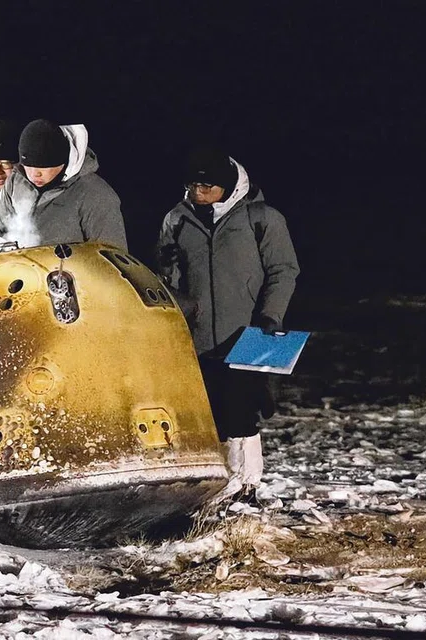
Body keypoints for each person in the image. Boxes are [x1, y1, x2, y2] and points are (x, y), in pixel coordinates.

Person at [156, 148, 299, 501]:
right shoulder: (176, 219)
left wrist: (271, 315)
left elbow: (283, 270)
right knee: (210, 413)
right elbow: (168, 281)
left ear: (228, 186)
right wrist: (167, 268)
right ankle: (219, 485)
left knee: (243, 411)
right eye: (193, 186)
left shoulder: (261, 218)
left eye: (207, 187)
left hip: (250, 330)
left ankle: (246, 485)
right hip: (199, 336)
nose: (199, 193)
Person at [0, 119, 128, 251]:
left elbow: (111, 257)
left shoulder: (96, 195)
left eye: (44, 167)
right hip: (16, 267)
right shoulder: (16, 182)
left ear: (63, 163)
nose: (35, 174)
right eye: (29, 166)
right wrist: (1, 246)